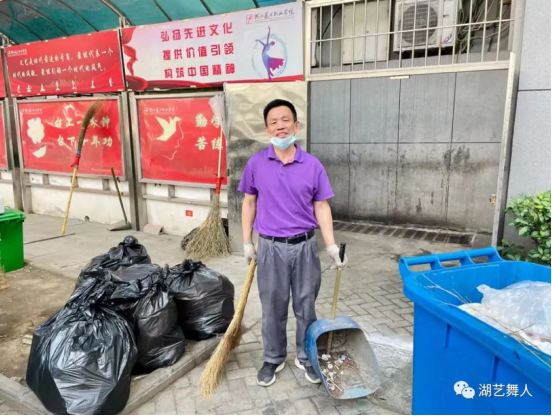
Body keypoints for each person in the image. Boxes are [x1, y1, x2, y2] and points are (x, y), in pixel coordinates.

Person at [238, 99, 348, 388]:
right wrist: (247, 242)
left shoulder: (312, 165)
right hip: (270, 247)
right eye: (273, 122)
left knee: (306, 306)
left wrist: (331, 245)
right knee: (272, 307)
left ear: (296, 125)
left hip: (305, 247)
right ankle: (273, 358)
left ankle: (306, 355)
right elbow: (249, 202)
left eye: (285, 120)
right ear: (267, 129)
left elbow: (321, 206)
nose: (280, 126)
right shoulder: (256, 164)